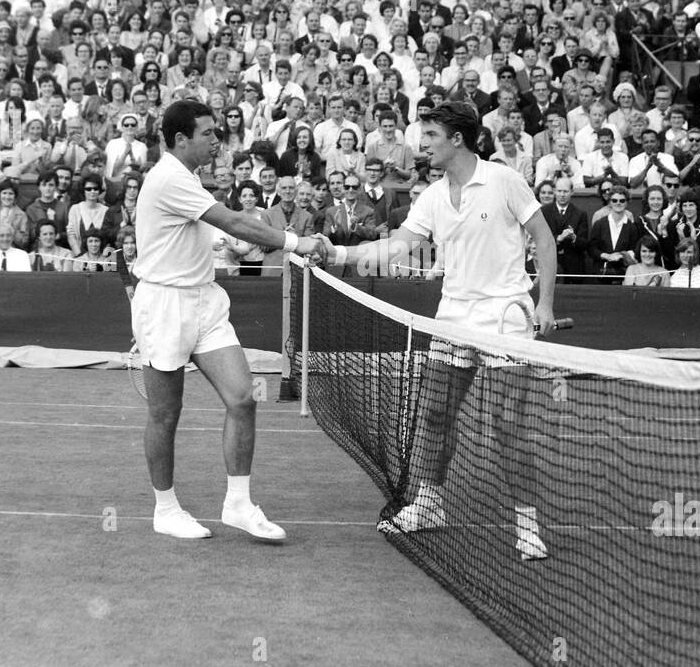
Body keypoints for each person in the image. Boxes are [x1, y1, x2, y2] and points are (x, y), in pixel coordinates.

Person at [314, 102, 558, 560]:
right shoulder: (430, 196)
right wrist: (339, 255)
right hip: (453, 315)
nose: (420, 143)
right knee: (435, 415)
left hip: (506, 316)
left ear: (457, 139)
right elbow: (398, 245)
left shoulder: (504, 179)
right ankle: (429, 505)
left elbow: (543, 239)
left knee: (507, 427)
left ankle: (528, 526)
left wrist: (544, 302)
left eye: (429, 135)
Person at [131, 100, 323, 542]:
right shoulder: (168, 178)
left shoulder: (190, 178)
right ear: (180, 140)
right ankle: (166, 509)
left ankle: (238, 504)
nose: (217, 140)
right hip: (163, 307)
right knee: (165, 413)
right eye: (207, 133)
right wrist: (297, 242)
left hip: (205, 301)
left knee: (242, 398)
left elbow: (215, 230)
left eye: (217, 131)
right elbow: (236, 222)